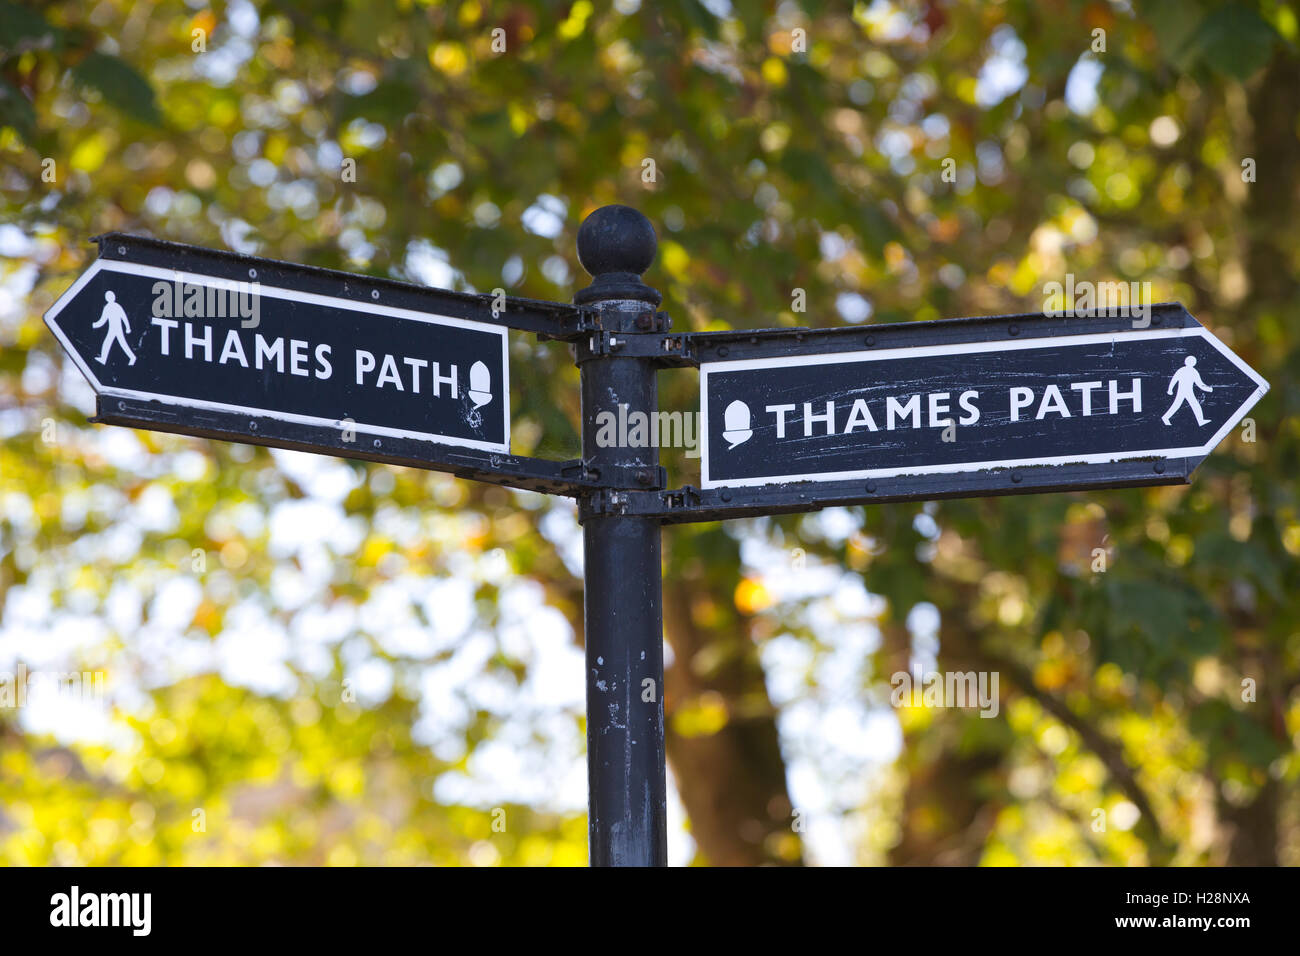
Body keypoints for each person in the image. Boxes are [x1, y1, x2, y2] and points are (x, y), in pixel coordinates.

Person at [1161, 355, 1211, 426]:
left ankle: (1200, 421)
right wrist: (1170, 389)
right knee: (1180, 405)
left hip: (1187, 391)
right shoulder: (1188, 371)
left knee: (1191, 405)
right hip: (1183, 391)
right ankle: (1165, 417)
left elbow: (1199, 383)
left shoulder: (1190, 371)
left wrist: (1208, 389)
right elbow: (1174, 380)